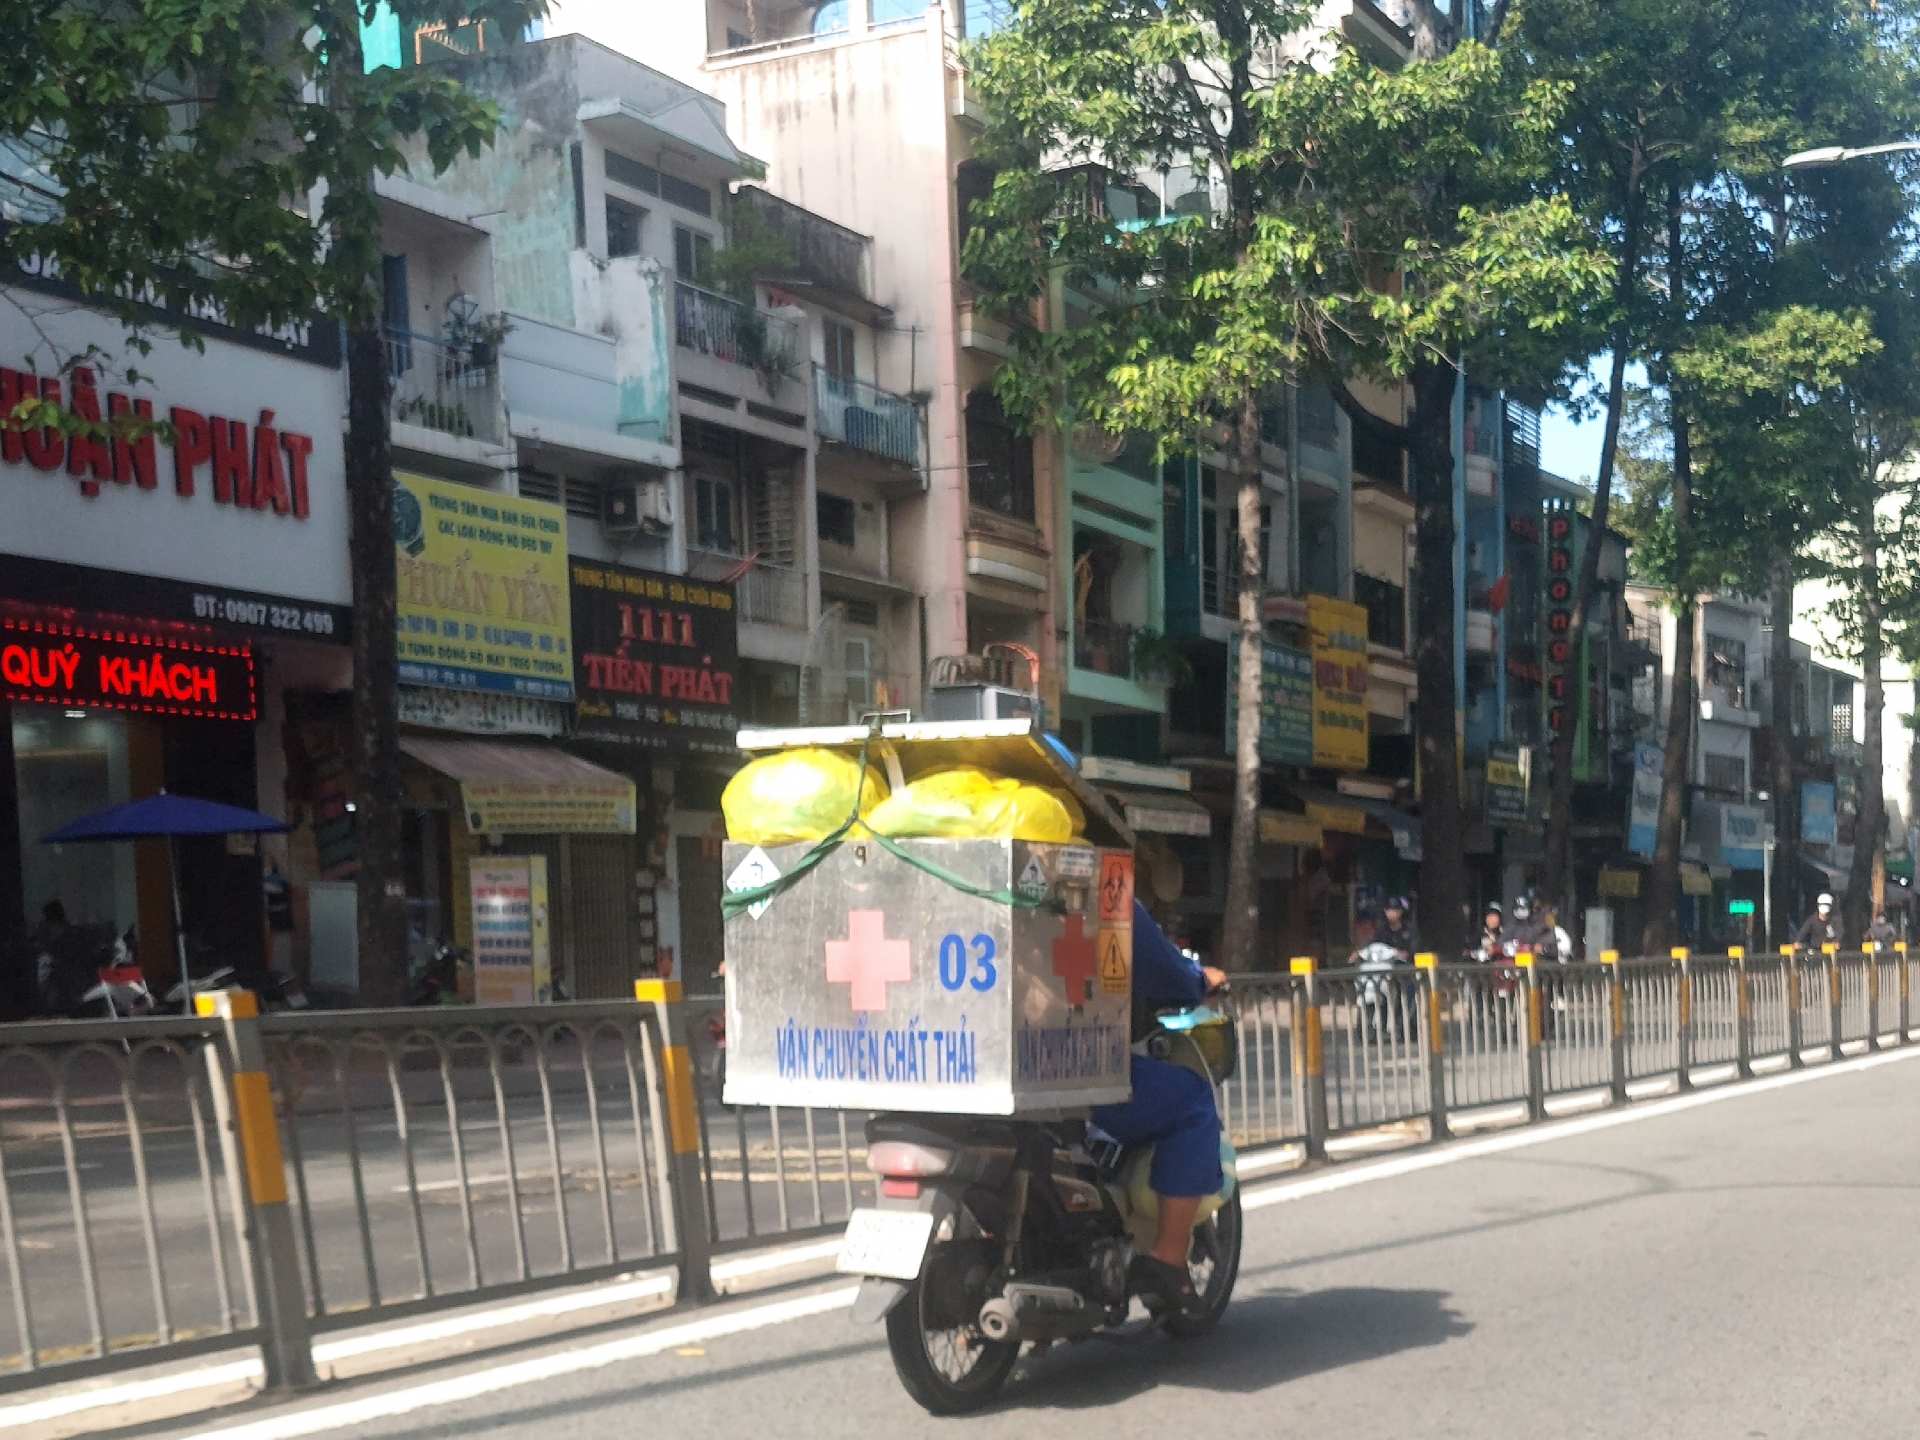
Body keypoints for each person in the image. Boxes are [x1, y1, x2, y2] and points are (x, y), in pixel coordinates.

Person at [1090, 900, 1227, 1316]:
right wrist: (1199, 979)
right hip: (1071, 1075)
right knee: (1191, 1101)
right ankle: (1168, 1257)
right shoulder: (1099, 882)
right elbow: (1162, 968)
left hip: (948, 1078)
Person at [1376, 896, 1419, 962]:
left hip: (1407, 965)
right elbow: (1377, 946)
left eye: (1395, 910)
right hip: (1386, 965)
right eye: (1388, 910)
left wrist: (1407, 953)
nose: (1391, 913)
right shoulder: (1382, 930)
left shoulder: (1409, 929)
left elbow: (1415, 947)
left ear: (1401, 911)